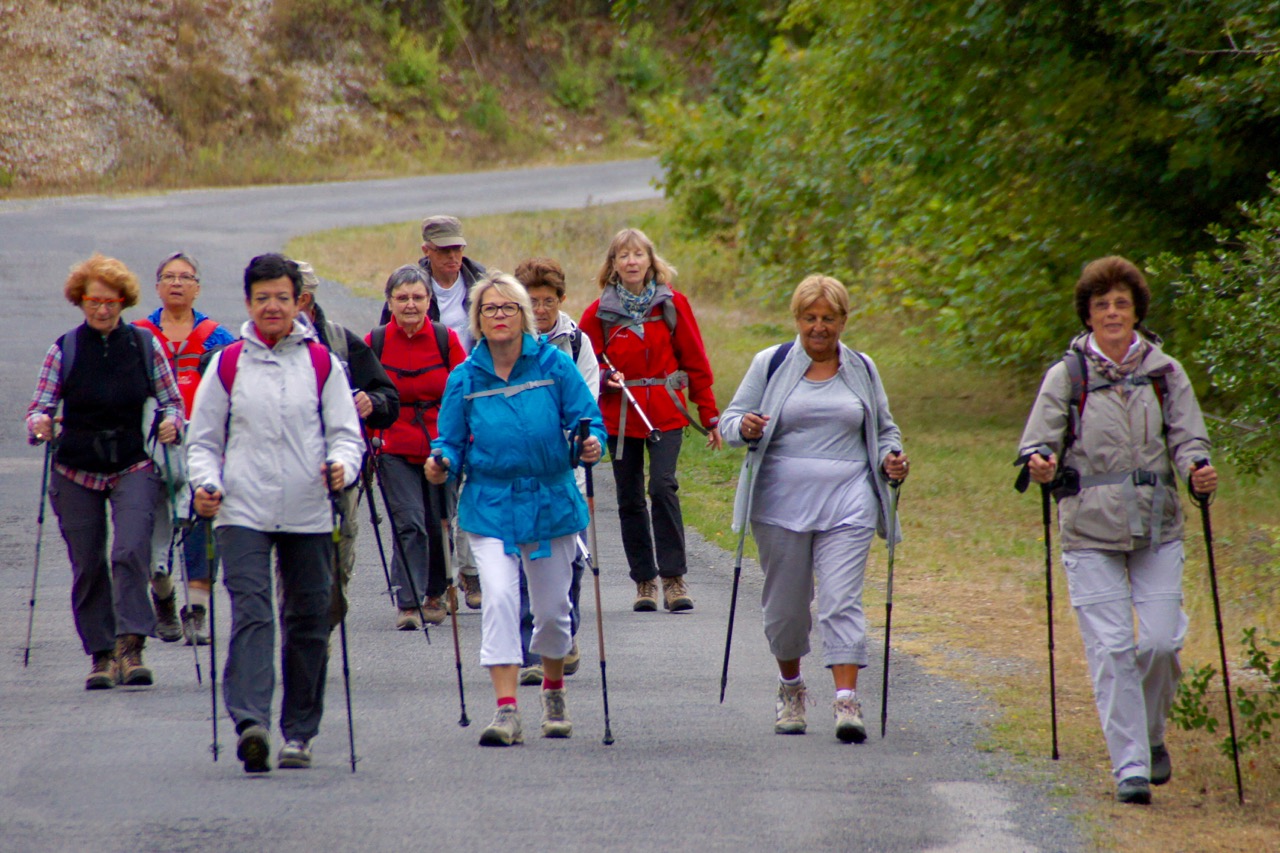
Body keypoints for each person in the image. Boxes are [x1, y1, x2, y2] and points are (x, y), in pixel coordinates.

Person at [1016, 256, 1217, 805]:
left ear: (1136, 311)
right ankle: (1128, 766)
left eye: (1121, 303)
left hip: (1157, 525)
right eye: (1101, 304)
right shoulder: (1069, 374)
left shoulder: (1164, 371)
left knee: (1159, 643)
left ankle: (1151, 738)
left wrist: (1197, 467)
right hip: (1088, 526)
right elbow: (1039, 440)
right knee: (1110, 648)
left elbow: (1188, 438)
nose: (1111, 312)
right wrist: (1039, 461)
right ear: (1087, 313)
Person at [188, 253, 363, 773]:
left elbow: (346, 436)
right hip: (241, 509)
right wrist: (207, 483)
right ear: (248, 302)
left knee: (309, 620)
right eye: (262, 297)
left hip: (309, 511)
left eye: (281, 298)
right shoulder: (227, 363)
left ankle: (300, 733)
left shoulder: (322, 363)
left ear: (297, 302)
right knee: (253, 612)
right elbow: (202, 442)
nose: (272, 306)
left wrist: (341, 467)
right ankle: (252, 723)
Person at [721, 274, 909, 743]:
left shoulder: (862, 367)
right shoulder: (772, 363)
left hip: (850, 498)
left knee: (840, 600)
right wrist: (743, 427)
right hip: (780, 502)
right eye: (810, 318)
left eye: (828, 318)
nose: (819, 328)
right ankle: (791, 687)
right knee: (787, 610)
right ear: (798, 320)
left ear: (844, 321)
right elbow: (728, 422)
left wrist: (892, 458)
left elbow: (886, 429)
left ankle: (846, 700)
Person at [426, 273, 605, 746]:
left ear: (523, 315)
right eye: (490, 309)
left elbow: (588, 420)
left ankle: (553, 688)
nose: (500, 315)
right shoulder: (464, 378)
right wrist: (441, 461)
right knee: (501, 599)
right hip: (490, 502)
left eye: (508, 307)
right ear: (477, 320)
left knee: (551, 612)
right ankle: (506, 710)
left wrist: (590, 443)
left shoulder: (554, 365)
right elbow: (449, 440)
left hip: (551, 499)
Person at [25, 254, 183, 690]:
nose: (102, 309)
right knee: (88, 563)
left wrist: (172, 422)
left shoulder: (144, 347)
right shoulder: (65, 349)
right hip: (75, 470)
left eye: (111, 302)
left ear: (124, 302)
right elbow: (40, 407)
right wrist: (40, 425)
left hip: (132, 464)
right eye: (93, 300)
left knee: (131, 551)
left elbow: (172, 402)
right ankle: (101, 654)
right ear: (80, 300)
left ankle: (131, 648)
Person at [579, 227, 721, 613]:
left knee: (662, 487)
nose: (631, 261)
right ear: (613, 264)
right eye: (623, 255)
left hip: (665, 410)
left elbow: (695, 361)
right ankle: (645, 580)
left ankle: (674, 578)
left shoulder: (672, 305)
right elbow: (584, 365)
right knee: (628, 498)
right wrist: (608, 378)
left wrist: (708, 414)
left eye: (638, 254)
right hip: (619, 417)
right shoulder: (598, 313)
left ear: (650, 260)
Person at [134, 251, 236, 646]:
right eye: (169, 277)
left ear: (197, 288)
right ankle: (162, 595)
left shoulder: (218, 337)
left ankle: (197, 611)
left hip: (202, 446)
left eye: (185, 277)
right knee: (150, 529)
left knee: (201, 524)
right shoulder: (139, 334)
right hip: (149, 449)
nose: (177, 283)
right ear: (157, 286)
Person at [294, 260, 399, 626]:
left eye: (288, 297)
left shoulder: (340, 341)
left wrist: (374, 402)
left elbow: (388, 397)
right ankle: (305, 636)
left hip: (341, 473)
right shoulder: (253, 348)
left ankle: (324, 621)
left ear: (305, 298)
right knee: (294, 576)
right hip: (286, 476)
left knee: (337, 567)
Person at [513, 257, 600, 684]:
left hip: (569, 476)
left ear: (561, 300)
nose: (541, 309)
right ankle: (533, 651)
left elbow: (586, 407)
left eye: (548, 301)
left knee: (573, 562)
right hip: (522, 478)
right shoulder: (503, 342)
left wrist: (580, 442)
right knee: (525, 562)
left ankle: (566, 633)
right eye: (532, 302)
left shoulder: (578, 344)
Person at [366, 264, 464, 630]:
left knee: (438, 521)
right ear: (389, 302)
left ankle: (435, 593)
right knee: (410, 522)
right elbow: (363, 397)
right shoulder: (374, 341)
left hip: (441, 446)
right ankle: (408, 602)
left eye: (418, 297)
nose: (410, 304)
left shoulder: (446, 339)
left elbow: (463, 392)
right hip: (393, 445)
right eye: (402, 297)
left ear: (429, 301)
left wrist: (461, 443)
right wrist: (366, 444)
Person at [416, 214, 487, 608]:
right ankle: (441, 579)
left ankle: (470, 572)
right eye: (444, 250)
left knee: (474, 488)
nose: (453, 256)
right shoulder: (411, 289)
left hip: (475, 397)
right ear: (426, 251)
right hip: (433, 403)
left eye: (458, 247)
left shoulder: (481, 284)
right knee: (440, 496)